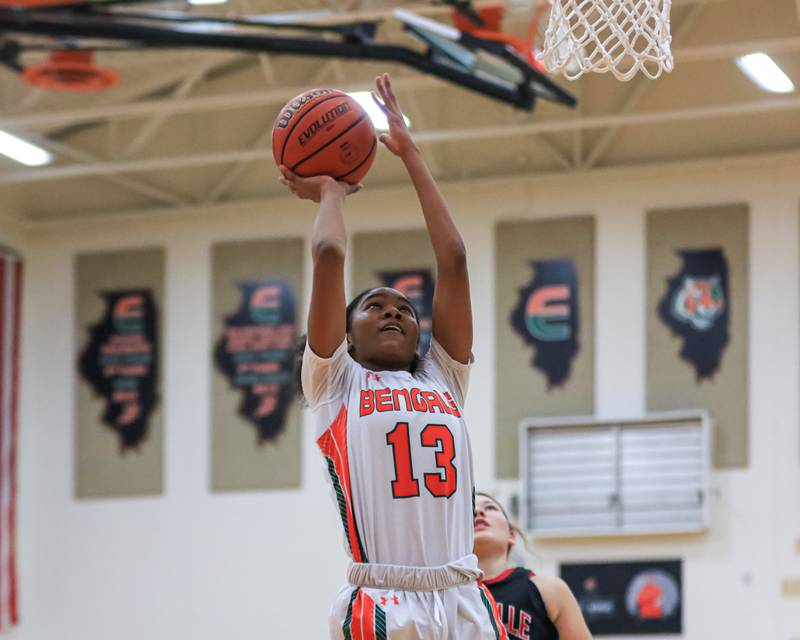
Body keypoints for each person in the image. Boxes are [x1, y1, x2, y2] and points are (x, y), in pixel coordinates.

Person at [281, 73, 506, 640]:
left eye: (406, 310)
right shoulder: (336, 383)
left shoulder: (443, 378)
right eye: (375, 306)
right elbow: (330, 252)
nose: (393, 313)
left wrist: (409, 154)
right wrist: (332, 192)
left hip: (461, 594)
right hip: (383, 599)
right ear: (346, 337)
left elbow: (453, 257)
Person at [473, 493, 593, 640]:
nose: (478, 512)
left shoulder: (549, 589)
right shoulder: (444, 596)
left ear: (511, 535)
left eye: (489, 507)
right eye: (470, 510)